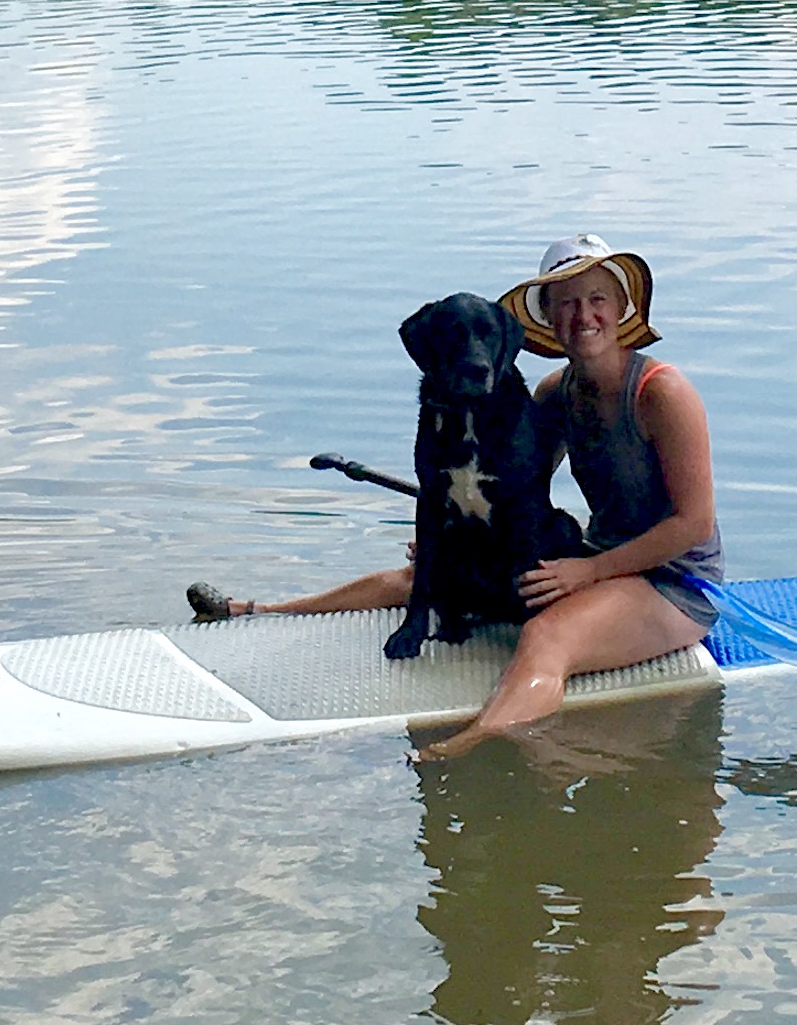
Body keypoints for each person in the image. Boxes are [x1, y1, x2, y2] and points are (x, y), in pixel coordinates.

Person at [190, 232, 724, 749]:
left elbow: (694, 525)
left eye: (597, 299)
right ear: (546, 316)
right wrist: (460, 524)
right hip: (597, 558)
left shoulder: (662, 393)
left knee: (546, 637)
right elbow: (525, 489)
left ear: (621, 307)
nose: (583, 315)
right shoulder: (556, 393)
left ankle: (472, 744)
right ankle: (261, 611)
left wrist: (588, 572)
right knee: (419, 576)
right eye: (566, 303)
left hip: (673, 580)